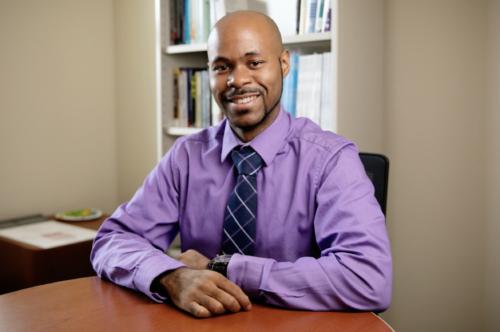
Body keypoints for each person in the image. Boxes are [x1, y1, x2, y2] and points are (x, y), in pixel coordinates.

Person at [91, 11, 392, 318]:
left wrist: (224, 267)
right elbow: (112, 241)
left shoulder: (331, 160)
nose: (237, 80)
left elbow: (368, 278)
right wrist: (171, 276)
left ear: (284, 64)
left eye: (254, 62)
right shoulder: (186, 156)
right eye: (222, 67)